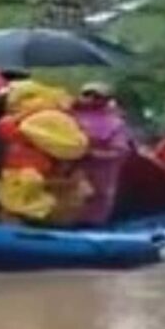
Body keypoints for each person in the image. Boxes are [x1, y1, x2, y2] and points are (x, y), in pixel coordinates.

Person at [0, 80, 90, 224]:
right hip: (22, 173)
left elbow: (72, 147)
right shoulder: (24, 118)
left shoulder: (40, 118)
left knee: (23, 205)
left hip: (38, 175)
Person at [66, 82, 134, 225]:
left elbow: (121, 151)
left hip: (101, 172)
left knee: (96, 202)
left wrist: (93, 154)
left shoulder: (115, 123)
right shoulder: (68, 115)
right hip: (70, 169)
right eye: (87, 94)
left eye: (97, 96)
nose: (91, 98)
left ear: (106, 99)